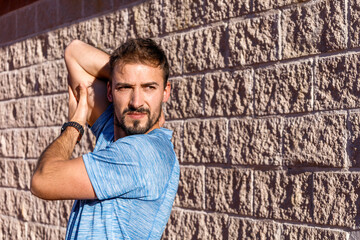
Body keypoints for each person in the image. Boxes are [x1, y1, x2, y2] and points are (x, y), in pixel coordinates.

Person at [30, 38, 180, 239]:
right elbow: (74, 53)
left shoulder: (141, 154)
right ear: (110, 91)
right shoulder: (117, 133)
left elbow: (43, 179)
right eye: (124, 87)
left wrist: (74, 127)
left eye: (149, 88)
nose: (136, 102)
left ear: (165, 92)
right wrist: (123, 71)